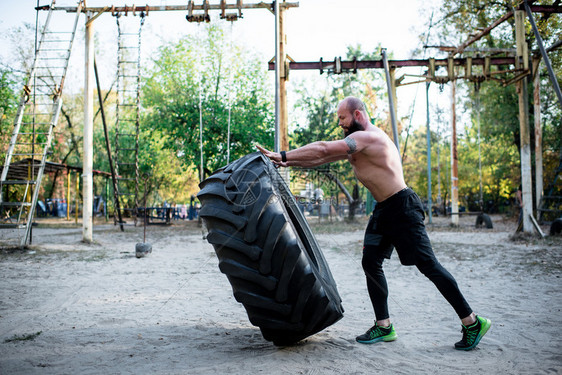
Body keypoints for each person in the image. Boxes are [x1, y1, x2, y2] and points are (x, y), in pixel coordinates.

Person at [257, 96, 491, 351]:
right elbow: (322, 159)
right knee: (371, 262)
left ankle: (472, 322)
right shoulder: (356, 143)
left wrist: (282, 154)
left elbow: (324, 149)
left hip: (402, 207)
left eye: (343, 118)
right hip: (384, 210)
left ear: (357, 114)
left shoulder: (370, 138)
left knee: (428, 266)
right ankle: (384, 326)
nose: (341, 124)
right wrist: (287, 161)